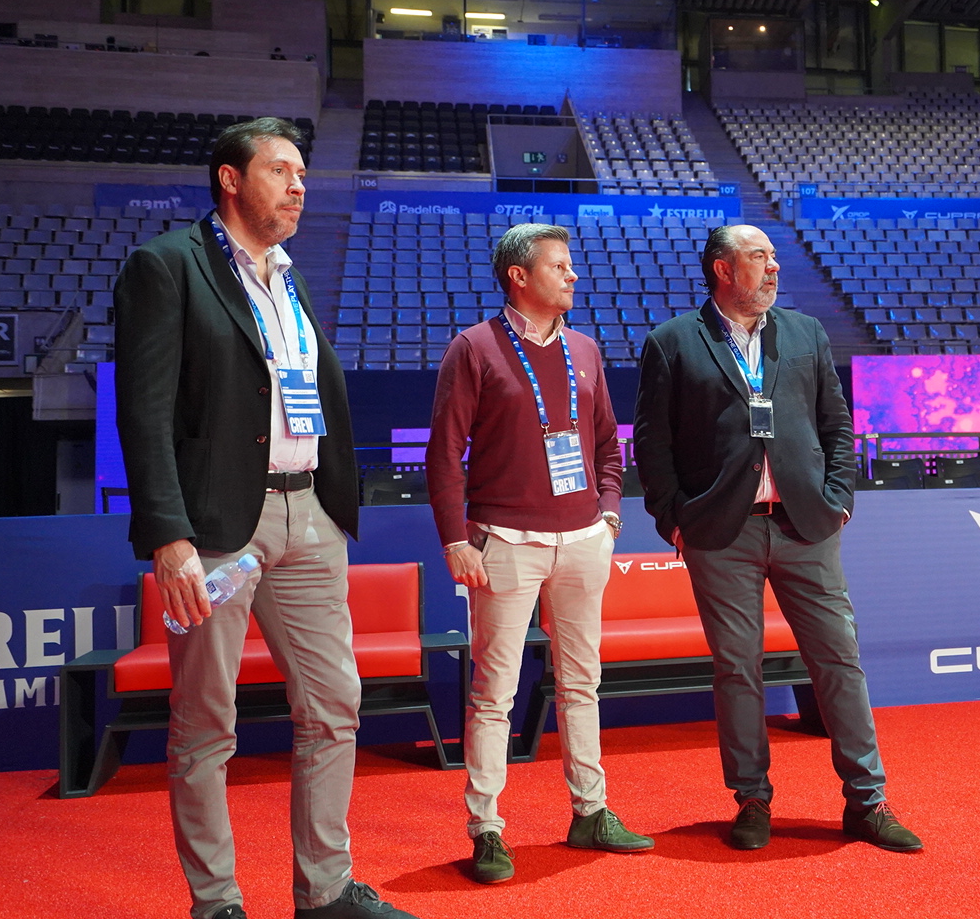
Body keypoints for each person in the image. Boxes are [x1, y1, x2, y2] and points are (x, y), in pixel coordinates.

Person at [114, 117, 418, 919]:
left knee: (334, 705)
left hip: (309, 513)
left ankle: (325, 892)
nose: (298, 185)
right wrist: (168, 534)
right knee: (205, 722)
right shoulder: (167, 265)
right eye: (281, 170)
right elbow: (143, 412)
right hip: (216, 524)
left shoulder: (291, 279)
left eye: (303, 174)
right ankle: (216, 902)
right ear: (230, 179)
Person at [632, 224, 921, 854]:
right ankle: (752, 798)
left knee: (839, 659)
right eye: (759, 257)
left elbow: (836, 425)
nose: (774, 268)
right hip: (720, 532)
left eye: (773, 257)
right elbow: (652, 444)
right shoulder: (672, 341)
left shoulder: (806, 332)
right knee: (738, 669)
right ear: (723, 269)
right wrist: (674, 519)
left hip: (806, 525)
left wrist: (839, 499)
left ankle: (867, 800)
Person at [426, 222, 653, 885]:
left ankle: (592, 811)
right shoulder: (474, 347)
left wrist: (609, 514)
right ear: (519, 276)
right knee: (493, 693)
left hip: (584, 540)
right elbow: (444, 454)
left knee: (582, 685)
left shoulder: (585, 348)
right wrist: (455, 539)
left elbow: (608, 443)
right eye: (559, 265)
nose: (573, 275)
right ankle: (486, 829)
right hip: (504, 543)